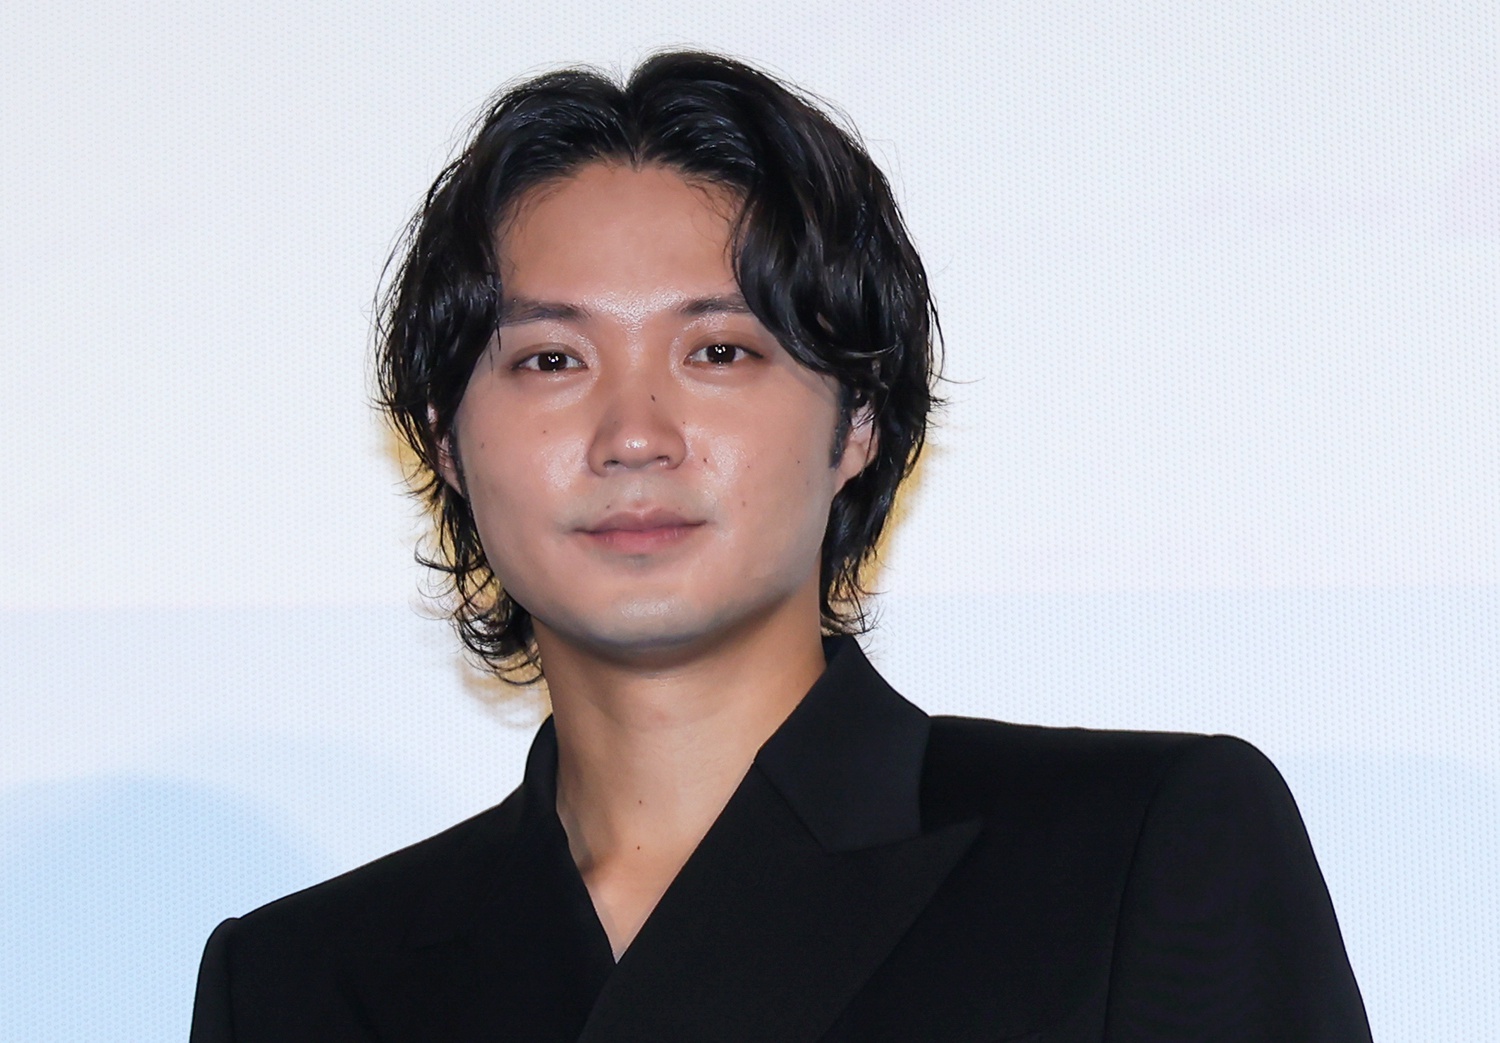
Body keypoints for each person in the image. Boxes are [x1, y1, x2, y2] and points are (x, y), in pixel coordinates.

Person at [190, 52, 1372, 1041]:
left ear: (857, 421)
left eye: (720, 352)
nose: (634, 434)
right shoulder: (300, 981)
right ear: (446, 439)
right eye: (551, 358)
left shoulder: (1132, 852)